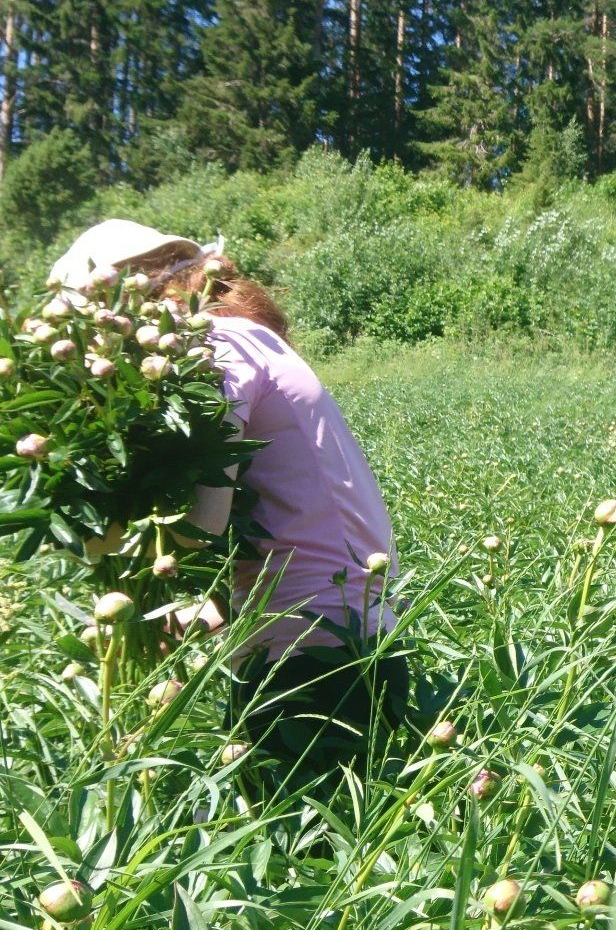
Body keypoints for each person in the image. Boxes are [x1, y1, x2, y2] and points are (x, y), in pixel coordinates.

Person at [49, 220, 409, 778]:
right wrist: (209, 612)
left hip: (312, 652)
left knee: (300, 852)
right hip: (353, 630)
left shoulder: (214, 349)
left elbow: (201, 524)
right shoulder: (245, 338)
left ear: (130, 290)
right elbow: (282, 519)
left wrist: (96, 540)